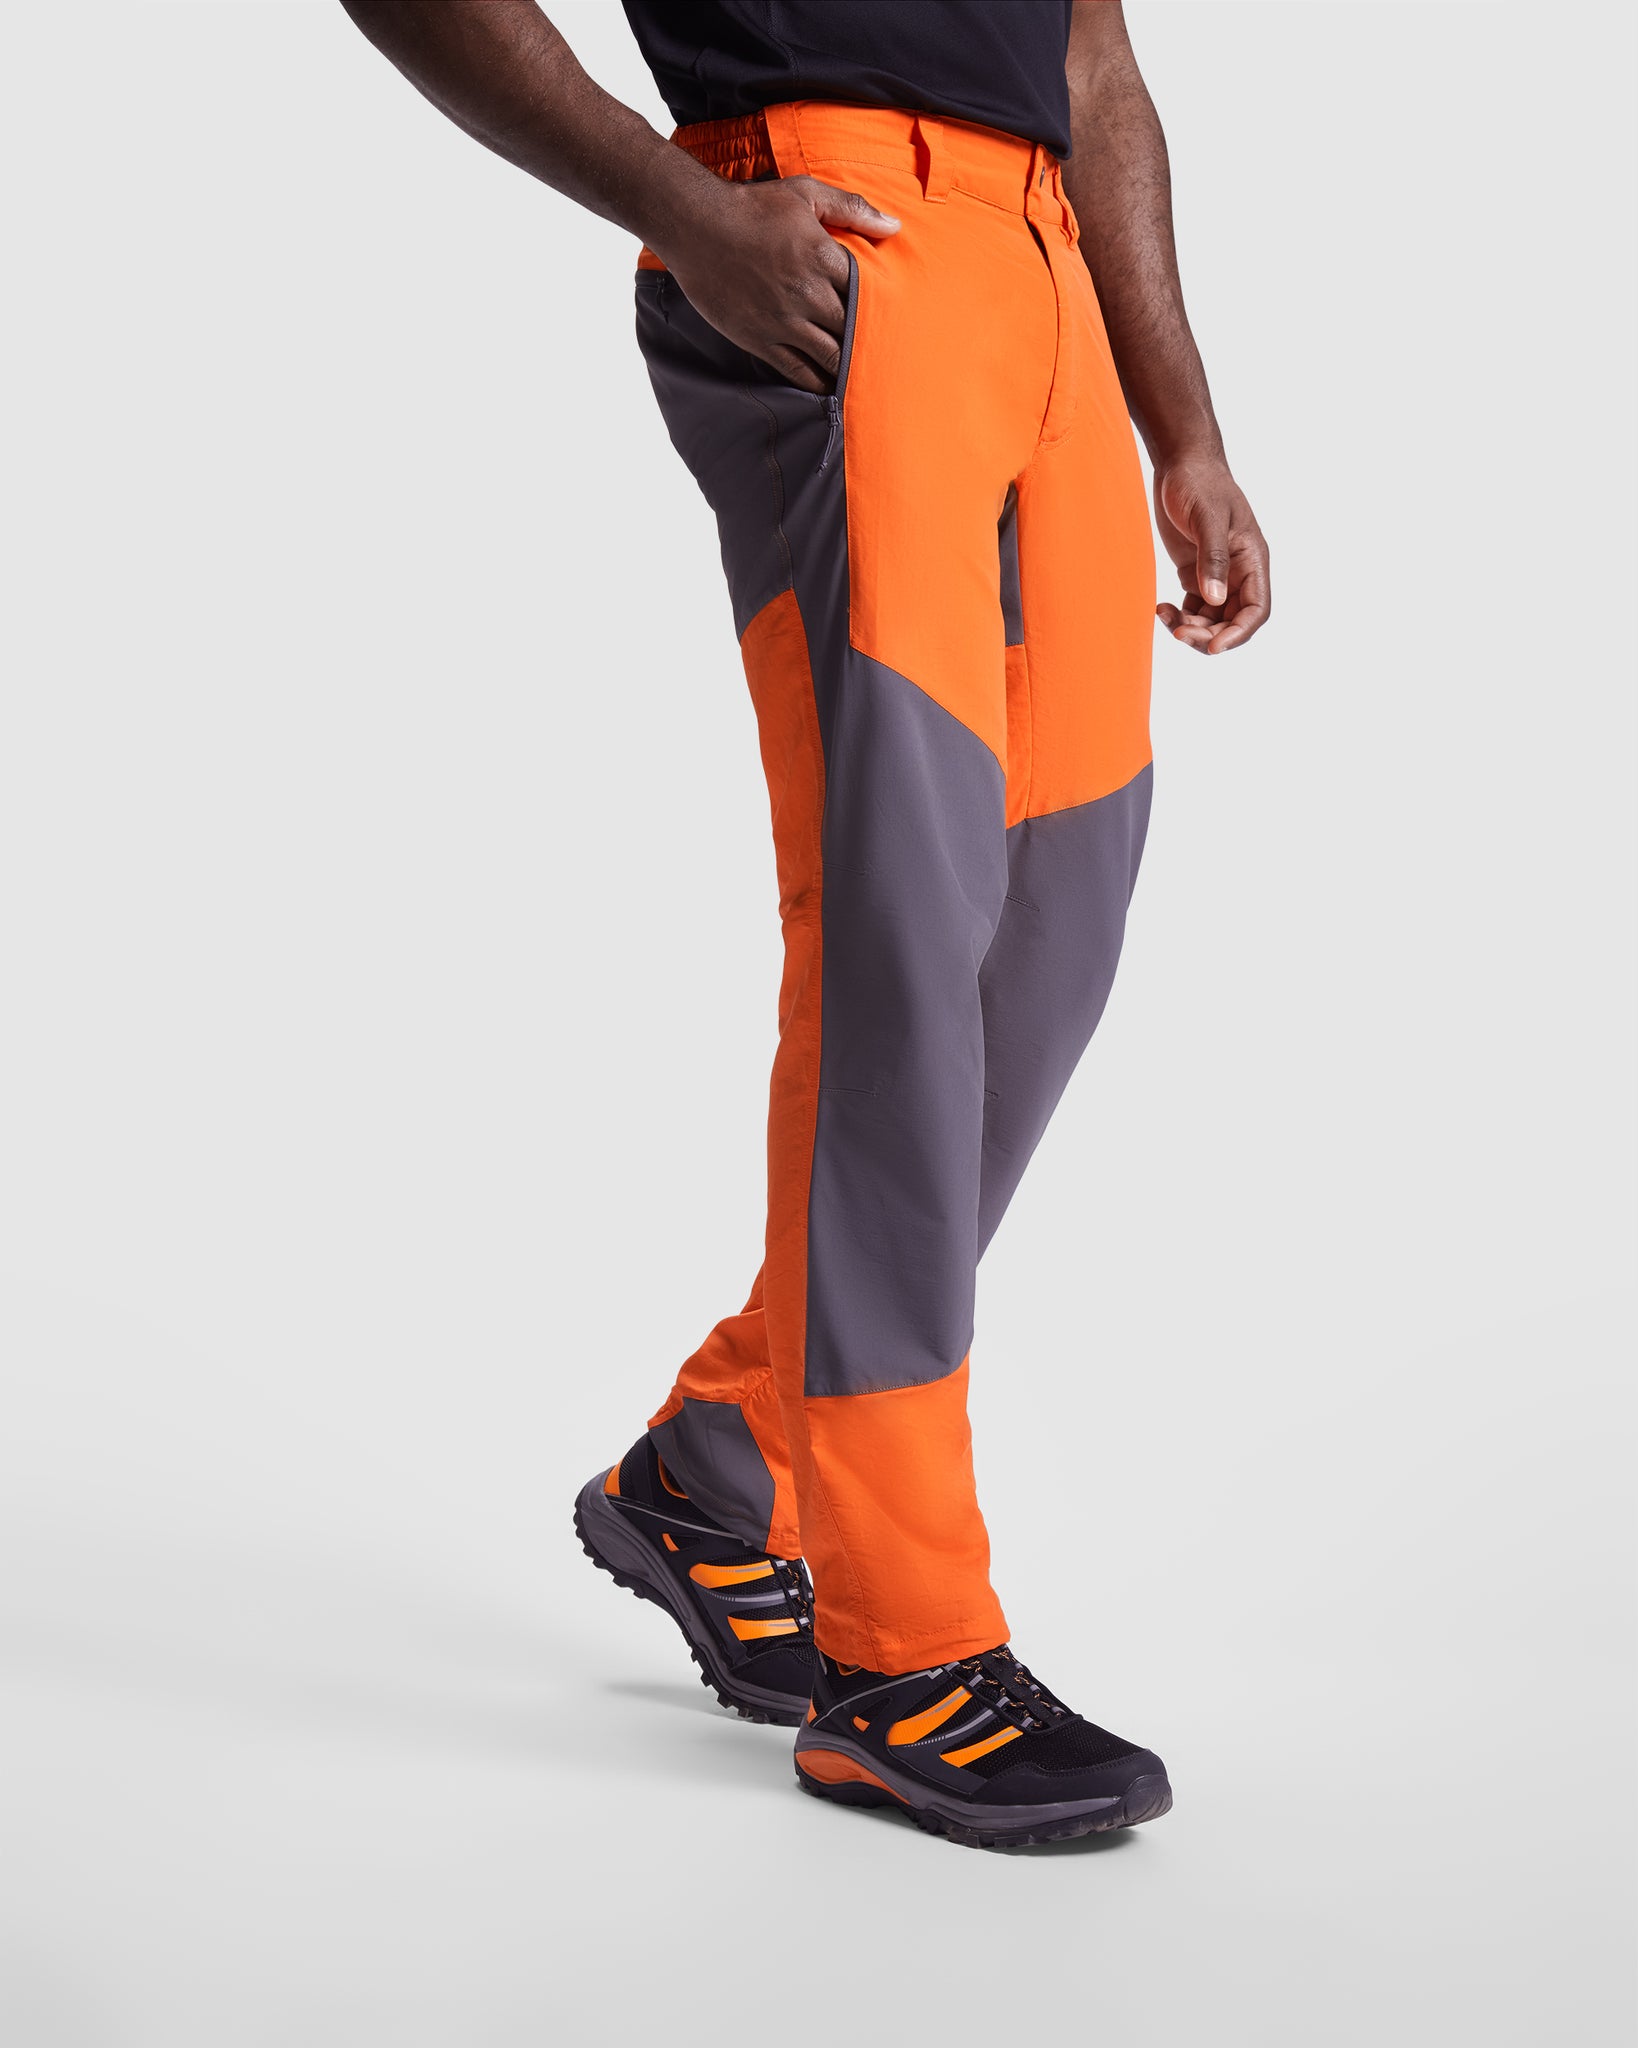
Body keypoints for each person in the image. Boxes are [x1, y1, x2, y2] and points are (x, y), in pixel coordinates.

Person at [338, 0, 1270, 1850]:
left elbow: (1093, 64)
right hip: (841, 254)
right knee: (897, 941)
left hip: (1047, 289)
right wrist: (684, 211)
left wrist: (1185, 424)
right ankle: (901, 1654)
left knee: (1050, 931)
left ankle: (726, 1458)